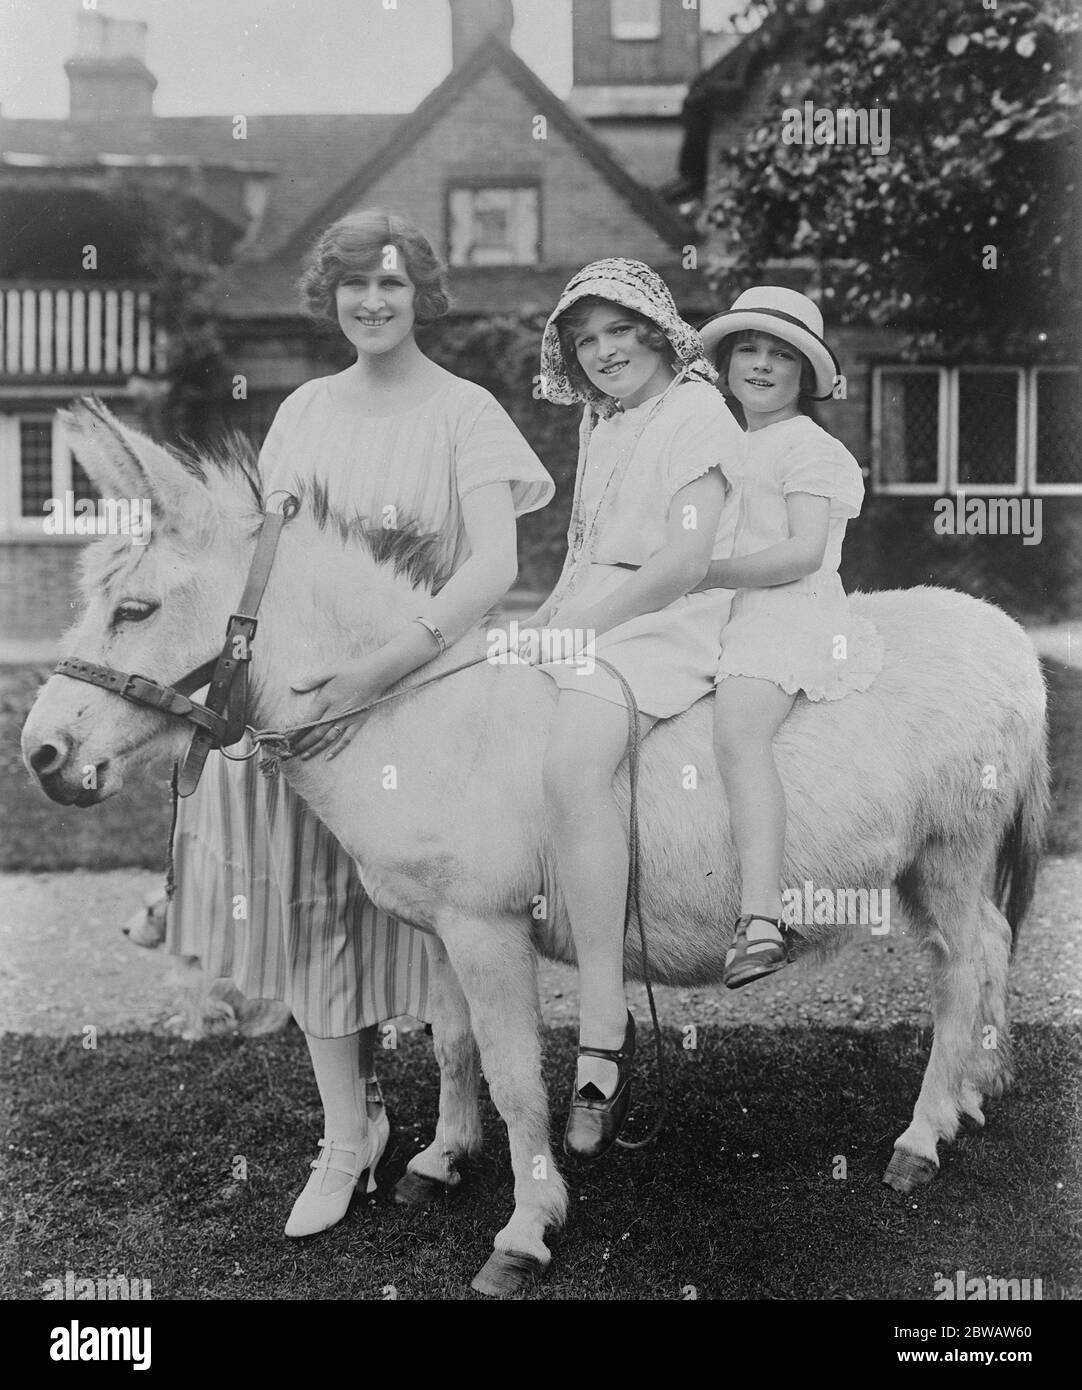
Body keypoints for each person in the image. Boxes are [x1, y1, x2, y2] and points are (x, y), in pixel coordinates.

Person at [166, 209, 554, 1235]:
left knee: (444, 923)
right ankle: (349, 1135)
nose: (372, 302)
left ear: (420, 293)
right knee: (313, 916)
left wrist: (383, 660)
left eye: (390, 284)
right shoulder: (303, 411)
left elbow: (495, 568)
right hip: (312, 708)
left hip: (430, 694)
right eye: (352, 286)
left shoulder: (465, 411)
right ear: (329, 298)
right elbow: (270, 564)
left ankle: (461, 1118)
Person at [526, 258, 742, 1161]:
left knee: (574, 759)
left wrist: (576, 630)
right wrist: (540, 623)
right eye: (586, 341)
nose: (606, 351)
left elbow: (682, 563)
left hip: (668, 623)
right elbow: (585, 551)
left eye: (619, 331)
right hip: (595, 611)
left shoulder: (698, 411)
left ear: (656, 329)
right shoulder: (602, 419)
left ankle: (601, 1040)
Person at [696, 286, 884, 988]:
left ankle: (762, 916)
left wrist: (702, 572)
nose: (763, 365)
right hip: (725, 607)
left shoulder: (809, 446)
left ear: (808, 375)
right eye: (748, 349)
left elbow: (804, 551)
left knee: (739, 729)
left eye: (784, 355)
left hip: (788, 610)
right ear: (725, 363)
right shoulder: (725, 443)